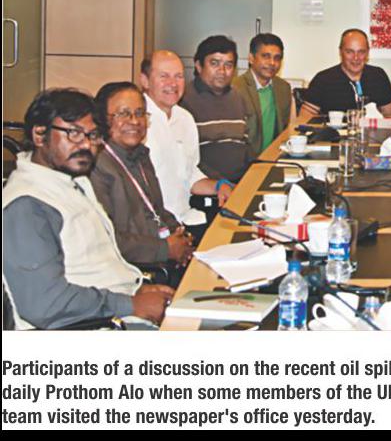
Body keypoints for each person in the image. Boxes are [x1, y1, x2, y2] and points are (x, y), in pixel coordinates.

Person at [2, 89, 173, 329]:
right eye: (73, 133)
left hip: (113, 309)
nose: (86, 144)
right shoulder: (27, 205)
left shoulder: (71, 181)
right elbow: (45, 305)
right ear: (39, 135)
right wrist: (130, 304)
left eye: (92, 135)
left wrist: (137, 289)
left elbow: (92, 265)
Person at [89, 82, 194, 284]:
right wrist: (165, 248)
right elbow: (105, 239)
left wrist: (180, 235)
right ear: (103, 120)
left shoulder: (140, 156)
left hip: (160, 259)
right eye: (123, 114)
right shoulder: (96, 167)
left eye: (140, 113)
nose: (134, 121)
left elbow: (157, 211)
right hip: (131, 273)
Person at [140, 50, 232, 242]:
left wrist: (218, 186)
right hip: (153, 230)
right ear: (145, 81)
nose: (173, 83)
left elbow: (188, 175)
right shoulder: (136, 122)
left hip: (186, 220)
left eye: (179, 76)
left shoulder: (185, 118)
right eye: (164, 76)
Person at [180, 35, 254, 183]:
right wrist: (219, 184)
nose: (222, 71)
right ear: (199, 66)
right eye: (214, 63)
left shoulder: (238, 98)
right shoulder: (183, 99)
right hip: (205, 187)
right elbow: (186, 159)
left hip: (240, 183)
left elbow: (244, 146)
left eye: (228, 65)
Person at [301, 29, 391, 117]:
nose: (356, 58)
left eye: (361, 52)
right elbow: (304, 119)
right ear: (340, 52)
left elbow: (390, 117)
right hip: (332, 131)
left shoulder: (378, 76)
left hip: (371, 130)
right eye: (349, 52)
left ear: (367, 53)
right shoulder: (323, 80)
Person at [232, 33, 296, 155]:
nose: (272, 63)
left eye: (277, 58)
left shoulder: (283, 88)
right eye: (266, 56)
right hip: (242, 160)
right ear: (251, 58)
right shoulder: (235, 88)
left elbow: (286, 129)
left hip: (273, 158)